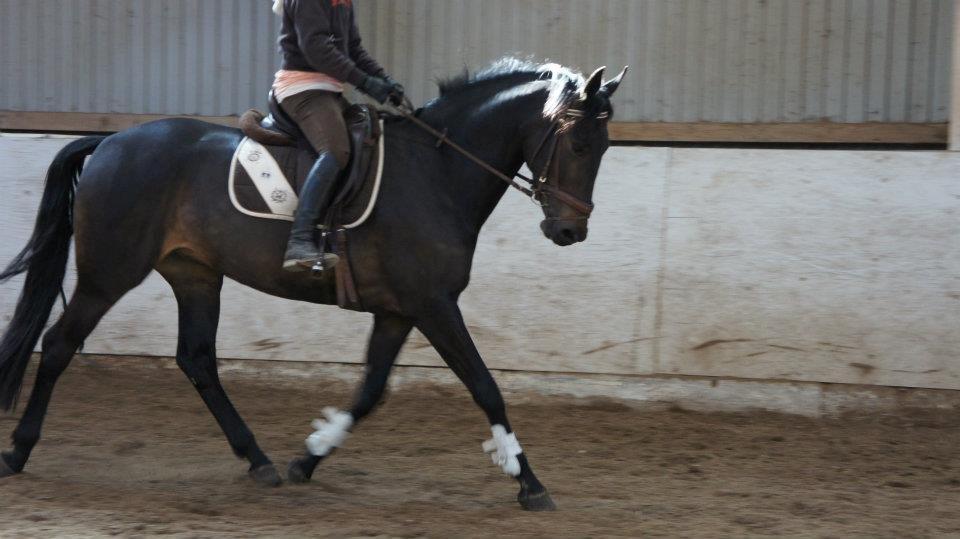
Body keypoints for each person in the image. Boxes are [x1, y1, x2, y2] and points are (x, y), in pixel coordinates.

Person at [272, 0, 403, 271]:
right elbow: (316, 48)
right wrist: (365, 83)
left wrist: (384, 80)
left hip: (329, 90)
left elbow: (353, 49)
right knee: (335, 150)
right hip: (301, 88)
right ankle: (299, 240)